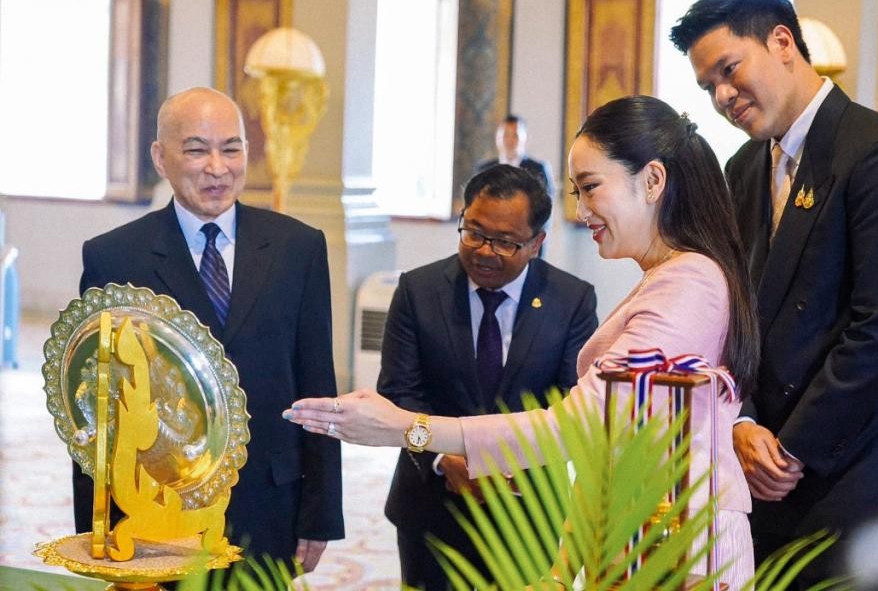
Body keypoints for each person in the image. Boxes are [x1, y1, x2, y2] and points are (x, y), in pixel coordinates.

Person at [286, 95, 761, 589]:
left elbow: (575, 427)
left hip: (679, 546)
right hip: (640, 537)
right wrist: (563, 569)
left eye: (591, 187)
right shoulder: (670, 276)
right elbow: (606, 449)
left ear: (653, 181)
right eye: (576, 191)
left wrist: (408, 428)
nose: (582, 210)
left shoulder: (689, 281)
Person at [669, 0, 878, 587]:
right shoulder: (743, 168)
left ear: (782, 42)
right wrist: (741, 423)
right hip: (758, 462)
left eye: (729, 70)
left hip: (854, 471)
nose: (722, 96)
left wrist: (793, 448)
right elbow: (732, 315)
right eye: (707, 86)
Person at [74, 87, 344, 570]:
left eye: (231, 148)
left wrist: (320, 515)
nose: (217, 168)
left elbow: (317, 384)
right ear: (161, 158)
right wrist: (95, 528)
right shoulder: (114, 257)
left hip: (270, 501)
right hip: (158, 511)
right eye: (197, 150)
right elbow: (95, 409)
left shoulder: (297, 248)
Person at [378, 164, 598, 590]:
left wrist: (510, 461)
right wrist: (442, 458)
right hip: (431, 506)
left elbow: (574, 401)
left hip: (527, 510)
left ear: (536, 243)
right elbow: (399, 393)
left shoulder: (571, 301)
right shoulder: (418, 291)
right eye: (474, 233)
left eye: (505, 242)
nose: (484, 251)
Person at [474, 114, 554, 199]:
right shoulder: (484, 169)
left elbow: (546, 200)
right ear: (497, 138)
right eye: (505, 135)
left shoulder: (538, 169)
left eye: (515, 136)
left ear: (525, 138)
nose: (509, 141)